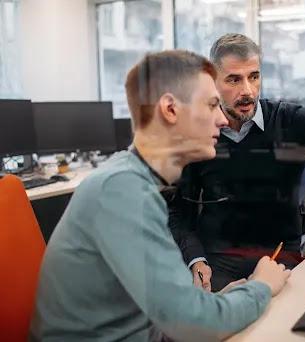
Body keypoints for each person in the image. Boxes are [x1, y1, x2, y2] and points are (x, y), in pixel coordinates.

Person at [29, 50, 291, 342]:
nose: (222, 119)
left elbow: (171, 310)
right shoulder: (122, 191)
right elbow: (193, 327)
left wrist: (215, 304)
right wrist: (261, 287)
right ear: (170, 110)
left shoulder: (134, 180)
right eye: (212, 105)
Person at [169, 33, 305, 292]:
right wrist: (195, 259)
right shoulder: (199, 132)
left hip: (280, 257)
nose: (247, 91)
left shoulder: (290, 121)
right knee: (217, 327)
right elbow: (178, 210)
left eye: (254, 77)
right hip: (220, 261)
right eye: (234, 79)